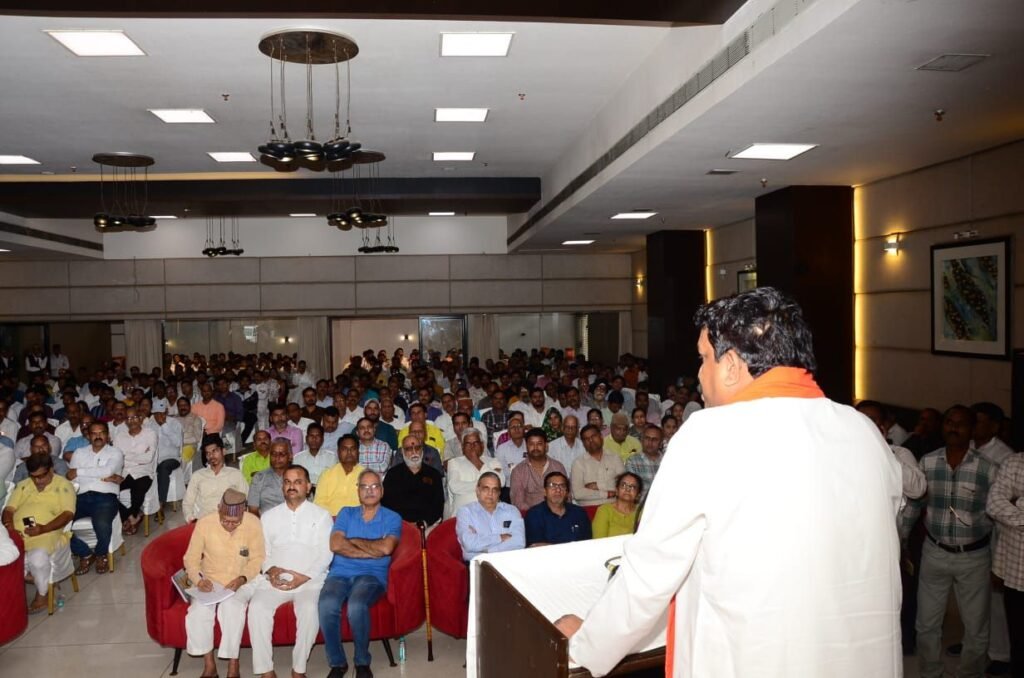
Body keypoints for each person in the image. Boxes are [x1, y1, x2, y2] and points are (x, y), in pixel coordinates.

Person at [555, 286, 904, 677]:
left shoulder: (709, 434)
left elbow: (648, 576)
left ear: (733, 365)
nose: (699, 374)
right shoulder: (864, 432)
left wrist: (585, 646)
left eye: (704, 358)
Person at [902, 405, 997, 678]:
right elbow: (914, 504)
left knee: (976, 628)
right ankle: (931, 673)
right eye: (949, 422)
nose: (953, 428)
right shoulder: (927, 462)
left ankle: (970, 674)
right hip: (935, 552)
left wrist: (999, 561)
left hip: (974, 557)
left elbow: (998, 514)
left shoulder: (988, 468)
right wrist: (902, 539)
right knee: (926, 625)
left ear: (972, 429)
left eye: (961, 424)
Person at [247, 465, 333, 678]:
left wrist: (304, 577)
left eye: (297, 482)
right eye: (287, 482)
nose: (291, 486)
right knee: (257, 608)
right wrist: (271, 570)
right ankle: (266, 670)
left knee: (309, 611)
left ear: (308, 486)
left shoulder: (321, 516)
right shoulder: (268, 517)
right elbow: (262, 553)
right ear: (282, 486)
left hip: (310, 580)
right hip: (275, 580)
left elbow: (326, 554)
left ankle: (298, 669)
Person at [318, 469, 402, 678]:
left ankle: (362, 662)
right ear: (358, 491)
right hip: (339, 574)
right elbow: (335, 544)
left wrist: (352, 541)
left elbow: (386, 549)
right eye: (364, 486)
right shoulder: (346, 513)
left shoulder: (392, 517)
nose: (369, 491)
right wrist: (372, 550)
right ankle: (338, 663)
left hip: (372, 576)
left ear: (382, 490)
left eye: (374, 486)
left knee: (357, 605)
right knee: (326, 604)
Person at [184, 489, 265, 678]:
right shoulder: (205, 523)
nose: (229, 525)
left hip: (244, 580)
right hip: (210, 579)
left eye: (235, 522)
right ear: (219, 509)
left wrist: (242, 579)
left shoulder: (253, 522)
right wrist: (199, 580)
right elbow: (191, 559)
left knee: (231, 608)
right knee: (197, 612)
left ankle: (233, 664)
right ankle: (209, 665)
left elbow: (258, 559)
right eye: (225, 521)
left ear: (243, 513)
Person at [1, 454, 76, 614]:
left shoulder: (63, 485)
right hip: (17, 533)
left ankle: (42, 594)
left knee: (37, 558)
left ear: (51, 470)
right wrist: (10, 527)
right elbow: (8, 509)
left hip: (48, 532)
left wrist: (44, 528)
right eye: (34, 477)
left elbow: (68, 514)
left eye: (42, 476)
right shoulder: (23, 485)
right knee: (6, 558)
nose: (38, 481)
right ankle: (39, 581)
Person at [67, 421, 124, 575]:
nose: (98, 436)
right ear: (88, 436)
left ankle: (100, 554)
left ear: (108, 435)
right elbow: (71, 477)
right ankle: (85, 553)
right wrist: (100, 473)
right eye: (94, 433)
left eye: (101, 433)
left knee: (102, 524)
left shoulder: (115, 452)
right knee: (59, 524)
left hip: (105, 497)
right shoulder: (79, 452)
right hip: (80, 496)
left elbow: (107, 471)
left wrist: (79, 471)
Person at [987, 451, 1024, 676]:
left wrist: (1017, 501)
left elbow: (1003, 505)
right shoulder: (1015, 462)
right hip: (1016, 573)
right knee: (1018, 641)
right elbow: (993, 503)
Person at [455, 472, 525, 561]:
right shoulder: (466, 512)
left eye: (495, 490)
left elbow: (519, 542)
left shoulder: (511, 511)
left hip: (508, 561)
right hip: (479, 564)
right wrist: (500, 538)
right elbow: (469, 544)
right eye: (486, 489)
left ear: (499, 493)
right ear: (478, 491)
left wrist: (488, 551)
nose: (490, 493)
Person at [182, 435, 248, 522]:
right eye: (208, 453)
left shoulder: (235, 474)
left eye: (214, 451)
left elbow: (246, 499)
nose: (211, 456)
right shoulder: (197, 476)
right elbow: (187, 503)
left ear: (223, 451)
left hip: (229, 521)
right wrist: (191, 519)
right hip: (204, 520)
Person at [381, 435, 444, 526]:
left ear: (422, 450)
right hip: (399, 525)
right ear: (402, 452)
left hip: (427, 525)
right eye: (409, 449)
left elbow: (438, 505)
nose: (414, 452)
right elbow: (386, 504)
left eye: (417, 448)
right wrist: (403, 524)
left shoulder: (434, 474)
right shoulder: (393, 474)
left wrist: (424, 523)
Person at [112, 407, 156, 535]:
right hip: (123, 472)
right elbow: (116, 458)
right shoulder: (119, 436)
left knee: (138, 490)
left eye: (135, 417)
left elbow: (148, 458)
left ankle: (131, 516)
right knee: (108, 492)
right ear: (125, 421)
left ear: (140, 418)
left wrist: (125, 456)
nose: (132, 421)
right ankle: (131, 517)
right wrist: (137, 457)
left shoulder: (150, 434)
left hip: (143, 472)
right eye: (128, 418)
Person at [445, 428, 503, 519]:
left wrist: (477, 461)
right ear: (462, 446)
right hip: (463, 516)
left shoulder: (493, 462)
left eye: (475, 443)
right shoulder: (454, 462)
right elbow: (454, 486)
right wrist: (486, 486)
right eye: (468, 443)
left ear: (482, 445)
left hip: (490, 515)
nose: (472, 446)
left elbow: (501, 482)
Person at [524, 471, 590, 547]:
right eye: (552, 485)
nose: (558, 490)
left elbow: (587, 544)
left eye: (562, 486)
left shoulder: (579, 513)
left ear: (567, 493)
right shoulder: (534, 515)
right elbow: (536, 546)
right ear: (544, 491)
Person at [509, 427, 567, 513]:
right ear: (526, 446)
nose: (535, 447)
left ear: (546, 446)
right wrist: (538, 514)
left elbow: (567, 496)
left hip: (558, 515)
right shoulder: (518, 471)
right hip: (531, 516)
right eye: (531, 444)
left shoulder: (558, 467)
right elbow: (518, 503)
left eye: (539, 444)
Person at [570, 424, 625, 507]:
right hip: (589, 508)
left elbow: (623, 486)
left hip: (613, 507)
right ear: (583, 443)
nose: (591, 440)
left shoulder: (615, 458)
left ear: (601, 437)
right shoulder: (578, 463)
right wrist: (607, 494)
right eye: (586, 439)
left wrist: (598, 485)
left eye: (593, 436)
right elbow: (578, 493)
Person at [314, 435, 365, 517]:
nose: (349, 452)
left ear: (358, 452)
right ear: (338, 452)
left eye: (353, 449)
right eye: (344, 449)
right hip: (331, 520)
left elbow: (370, 504)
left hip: (358, 520)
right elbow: (319, 503)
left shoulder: (366, 475)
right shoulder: (327, 474)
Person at [247, 439, 292, 516]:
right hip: (264, 520)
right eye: (273, 454)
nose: (277, 458)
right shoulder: (259, 477)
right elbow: (253, 510)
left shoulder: (298, 477)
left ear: (290, 456)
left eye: (282, 454)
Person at [152, 400, 183, 508]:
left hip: (172, 458)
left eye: (162, 413)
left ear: (166, 411)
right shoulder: (149, 424)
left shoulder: (174, 423)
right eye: (156, 414)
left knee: (163, 467)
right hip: (154, 459)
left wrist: (164, 426)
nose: (159, 416)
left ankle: (160, 502)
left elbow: (178, 443)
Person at [591, 473, 642, 539]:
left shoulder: (642, 513)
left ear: (638, 495)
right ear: (617, 490)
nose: (627, 489)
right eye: (623, 485)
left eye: (633, 487)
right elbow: (599, 542)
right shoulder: (604, 510)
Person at [293, 422, 338, 488]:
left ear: (322, 439)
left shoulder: (331, 457)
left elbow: (334, 479)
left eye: (317, 436)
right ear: (306, 438)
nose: (314, 439)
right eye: (311, 436)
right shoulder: (297, 458)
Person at [624, 424, 663, 499]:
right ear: (641, 440)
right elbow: (632, 489)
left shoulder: (668, 462)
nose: (650, 442)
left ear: (661, 443)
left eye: (654, 439)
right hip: (642, 504)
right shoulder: (632, 462)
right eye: (647, 438)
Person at [548, 414, 585, 480]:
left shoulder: (584, 446)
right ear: (562, 428)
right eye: (567, 427)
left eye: (573, 427)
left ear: (577, 429)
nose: (570, 430)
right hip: (558, 482)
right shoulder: (552, 446)